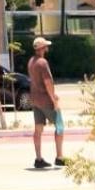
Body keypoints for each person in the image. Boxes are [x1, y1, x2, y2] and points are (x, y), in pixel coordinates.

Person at [28, 35, 65, 169]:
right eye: (46, 46)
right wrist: (54, 100)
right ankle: (59, 157)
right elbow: (48, 82)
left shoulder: (31, 61)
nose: (47, 48)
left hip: (35, 100)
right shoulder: (43, 63)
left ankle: (38, 158)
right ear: (43, 48)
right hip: (45, 100)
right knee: (59, 126)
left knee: (38, 128)